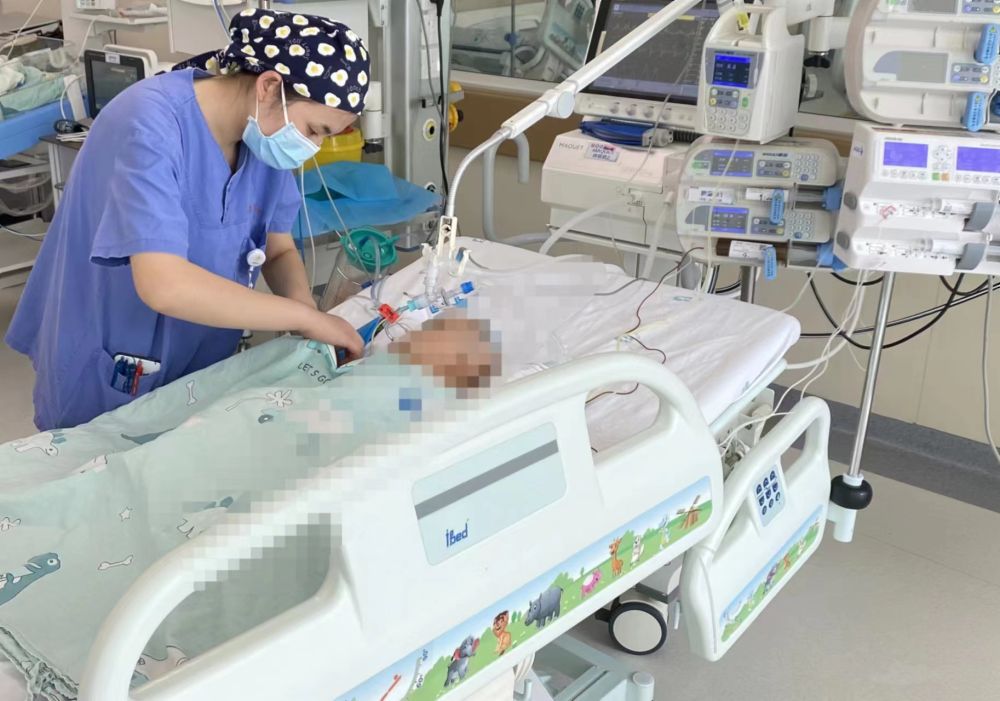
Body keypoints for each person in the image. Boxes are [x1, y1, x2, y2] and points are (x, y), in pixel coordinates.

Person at [4, 8, 370, 431]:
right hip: (111, 357)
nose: (313, 147)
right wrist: (304, 318)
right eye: (314, 130)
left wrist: (306, 311)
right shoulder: (149, 124)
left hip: (199, 359)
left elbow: (277, 247)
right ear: (270, 86)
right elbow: (165, 285)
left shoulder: (261, 137)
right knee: (99, 459)